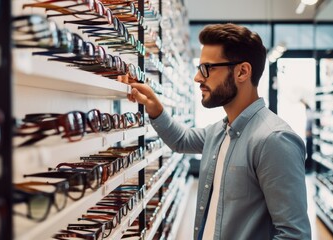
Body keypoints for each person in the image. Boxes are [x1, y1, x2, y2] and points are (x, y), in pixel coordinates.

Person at [127, 23, 311, 240]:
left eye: (207, 68)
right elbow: (182, 141)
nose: (197, 77)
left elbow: (294, 235)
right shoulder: (219, 132)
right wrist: (154, 107)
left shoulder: (274, 141)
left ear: (242, 71)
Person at [300, 98, 314, 173]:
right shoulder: (307, 110)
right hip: (308, 132)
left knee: (309, 150)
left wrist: (309, 130)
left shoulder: (309, 110)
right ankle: (308, 166)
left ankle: (309, 167)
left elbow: (310, 121)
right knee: (308, 149)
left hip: (309, 133)